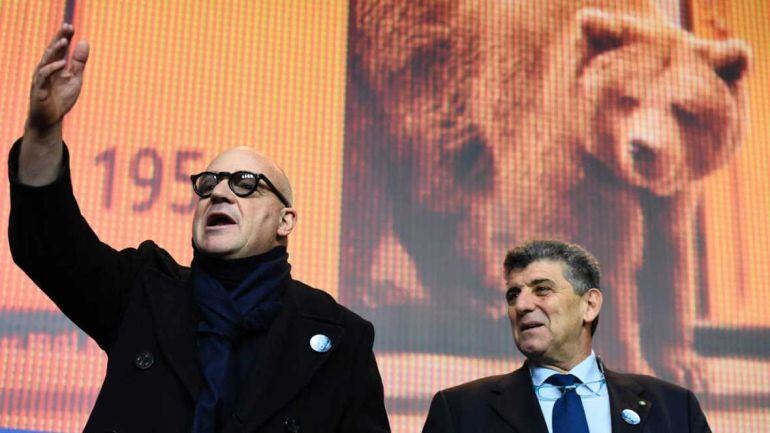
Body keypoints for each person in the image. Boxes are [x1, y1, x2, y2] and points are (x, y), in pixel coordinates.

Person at [9, 23, 390, 433]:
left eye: (246, 184)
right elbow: (49, 245)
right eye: (208, 183)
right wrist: (43, 131)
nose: (220, 193)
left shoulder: (342, 338)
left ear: (286, 221)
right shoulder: (145, 293)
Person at [422, 240, 710, 433]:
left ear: (590, 305)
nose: (521, 306)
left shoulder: (673, 407)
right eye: (513, 295)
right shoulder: (460, 411)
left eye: (542, 289)